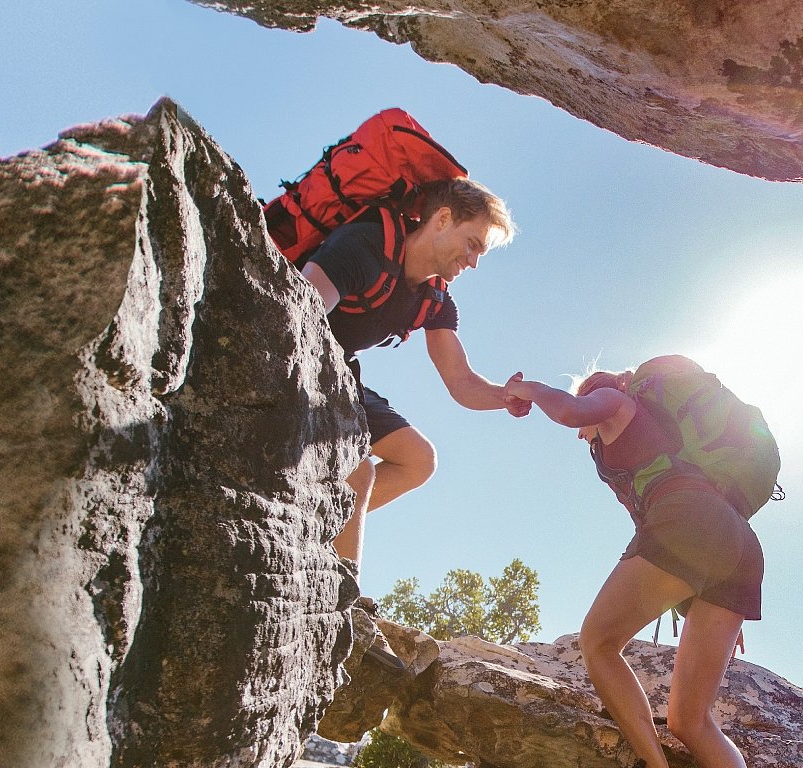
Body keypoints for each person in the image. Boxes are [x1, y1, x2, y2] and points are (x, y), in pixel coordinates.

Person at [503, 368, 762, 768]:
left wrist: (527, 389)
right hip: (737, 546)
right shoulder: (645, 456)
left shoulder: (617, 403)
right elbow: (679, 549)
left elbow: (569, 411)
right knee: (690, 721)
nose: (579, 436)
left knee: (598, 643)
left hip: (690, 520)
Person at [296, 177, 526, 570]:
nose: (472, 262)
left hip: (341, 376)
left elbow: (462, 381)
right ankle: (343, 588)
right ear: (441, 219)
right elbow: (297, 313)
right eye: (472, 245)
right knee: (360, 468)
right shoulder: (364, 247)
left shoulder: (436, 302)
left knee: (418, 460)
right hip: (303, 364)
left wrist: (506, 397)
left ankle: (318, 521)